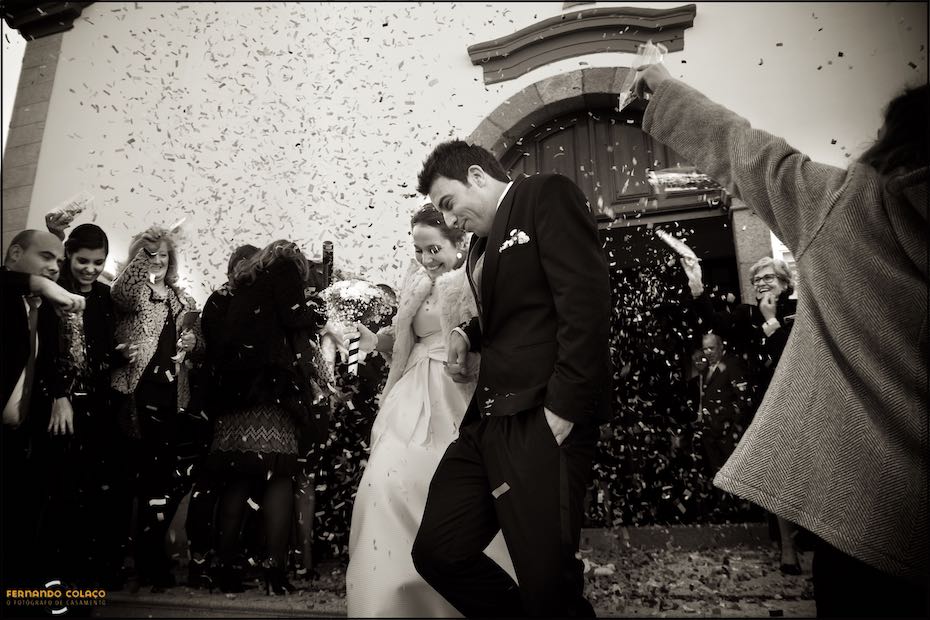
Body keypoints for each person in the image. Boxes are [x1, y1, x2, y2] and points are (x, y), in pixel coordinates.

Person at [635, 64, 927, 616]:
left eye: (771, 278)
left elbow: (748, 153)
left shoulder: (848, 209)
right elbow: (730, 322)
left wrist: (666, 91)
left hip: (865, 509)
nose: (765, 283)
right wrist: (703, 291)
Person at [411, 141, 612, 616]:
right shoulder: (481, 243)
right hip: (485, 423)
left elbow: (584, 303)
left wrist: (561, 413)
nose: (450, 219)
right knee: (439, 550)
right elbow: (519, 308)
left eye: (448, 203)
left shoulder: (546, 195)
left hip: (540, 417)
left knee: (547, 583)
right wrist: (467, 332)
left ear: (477, 176)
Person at [345, 204, 515, 617]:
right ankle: (389, 598)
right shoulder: (417, 281)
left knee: (445, 488)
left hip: (457, 393)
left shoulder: (474, 281)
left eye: (433, 249)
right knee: (383, 483)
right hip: (410, 395)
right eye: (419, 251)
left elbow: (491, 335)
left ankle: (462, 595)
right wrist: (379, 342)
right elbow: (407, 338)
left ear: (458, 243)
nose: (425, 260)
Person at [206, 240, 329, 594]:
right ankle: (274, 574)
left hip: (234, 400)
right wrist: (317, 310)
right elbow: (295, 316)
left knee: (238, 482)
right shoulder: (286, 267)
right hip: (271, 396)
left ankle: (221, 569)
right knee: (278, 480)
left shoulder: (245, 285)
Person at [682, 254, 804, 572]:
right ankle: (788, 548)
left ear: (785, 283)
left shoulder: (799, 312)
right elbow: (716, 323)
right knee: (776, 470)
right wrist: (697, 285)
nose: (762, 283)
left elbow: (794, 356)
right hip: (764, 400)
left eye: (769, 278)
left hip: (801, 398)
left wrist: (772, 323)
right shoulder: (746, 313)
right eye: (757, 279)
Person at [37, 222, 133, 588]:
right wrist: (59, 394)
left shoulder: (106, 299)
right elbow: (46, 349)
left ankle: (90, 574)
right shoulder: (53, 294)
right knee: (61, 490)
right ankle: (53, 577)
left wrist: (119, 356)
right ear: (68, 258)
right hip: (58, 406)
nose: (91, 269)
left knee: (96, 491)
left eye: (98, 262)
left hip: (98, 407)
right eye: (83, 261)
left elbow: (98, 354)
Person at [110, 226, 202, 591]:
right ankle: (119, 560)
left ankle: (152, 559)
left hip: (171, 399)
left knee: (160, 484)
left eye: (163, 254)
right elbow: (122, 288)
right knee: (127, 482)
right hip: (133, 394)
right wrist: (142, 255)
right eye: (151, 255)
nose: (158, 261)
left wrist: (192, 342)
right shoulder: (131, 294)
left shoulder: (180, 299)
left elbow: (193, 345)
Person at [2, 230, 85, 589]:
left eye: (58, 262)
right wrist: (36, 283)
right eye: (46, 258)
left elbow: (50, 360)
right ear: (16, 253)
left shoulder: (44, 311)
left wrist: (60, 395)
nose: (54, 268)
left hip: (19, 437)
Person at [184, 243, 260, 589]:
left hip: (223, 401)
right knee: (217, 484)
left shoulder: (227, 299)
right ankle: (209, 559)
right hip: (223, 404)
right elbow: (226, 349)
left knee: (222, 486)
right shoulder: (227, 300)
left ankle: (211, 559)